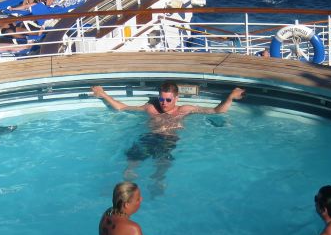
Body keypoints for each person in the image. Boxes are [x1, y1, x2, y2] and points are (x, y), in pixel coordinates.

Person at [90, 82, 245, 192]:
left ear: (176, 98)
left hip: (168, 140)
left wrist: (231, 97)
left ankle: (157, 182)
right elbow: (122, 107)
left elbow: (217, 111)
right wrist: (103, 94)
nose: (164, 103)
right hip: (149, 137)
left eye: (168, 99)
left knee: (162, 163)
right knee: (131, 164)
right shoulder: (151, 108)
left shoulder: (184, 110)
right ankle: (123, 188)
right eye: (161, 99)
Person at [98, 181, 177, 235]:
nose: (141, 199)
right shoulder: (132, 228)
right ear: (127, 204)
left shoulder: (107, 214)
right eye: (138, 199)